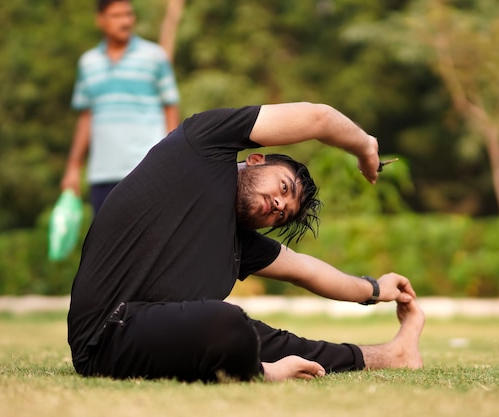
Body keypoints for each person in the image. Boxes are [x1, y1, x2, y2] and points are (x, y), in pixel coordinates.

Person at [67, 102, 425, 382]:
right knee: (228, 324)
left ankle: (393, 355)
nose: (280, 205)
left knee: (265, 339)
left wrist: (376, 289)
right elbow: (317, 118)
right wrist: (365, 148)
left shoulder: (241, 245)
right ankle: (263, 374)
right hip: (105, 332)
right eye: (283, 187)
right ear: (255, 160)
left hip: (172, 335)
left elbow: (306, 270)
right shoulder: (202, 146)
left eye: (283, 214)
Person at [61, 0, 180, 213]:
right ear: (101, 20)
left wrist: (173, 158)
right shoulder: (88, 63)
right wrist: (73, 167)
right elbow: (86, 118)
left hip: (147, 170)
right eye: (116, 16)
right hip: (102, 174)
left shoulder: (154, 56)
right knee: (107, 244)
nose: (125, 22)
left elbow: (170, 108)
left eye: (128, 15)